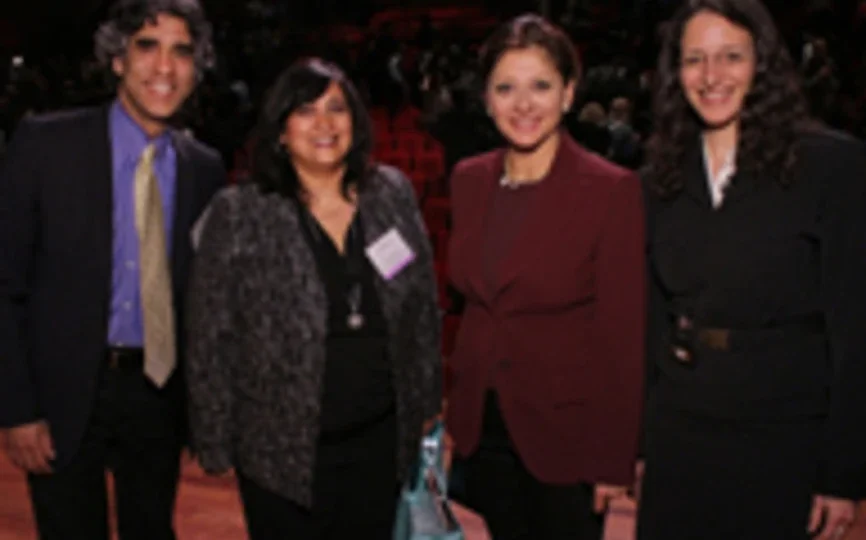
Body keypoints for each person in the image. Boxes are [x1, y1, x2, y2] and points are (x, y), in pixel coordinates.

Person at [185, 58, 442, 540]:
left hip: (380, 440)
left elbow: (422, 306)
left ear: (355, 122)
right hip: (278, 447)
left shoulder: (391, 192)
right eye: (305, 111)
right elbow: (210, 333)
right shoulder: (239, 212)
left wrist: (426, 398)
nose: (324, 123)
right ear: (281, 131)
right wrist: (213, 435)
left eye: (337, 109)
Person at [638, 1, 866, 539]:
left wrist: (843, 473)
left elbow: (856, 330)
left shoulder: (830, 167)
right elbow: (653, 319)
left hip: (785, 433)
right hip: (681, 428)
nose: (711, 76)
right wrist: (642, 442)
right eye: (695, 59)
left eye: (731, 57)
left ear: (762, 63)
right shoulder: (658, 179)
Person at [0, 0, 224, 538]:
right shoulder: (45, 145)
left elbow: (202, 298)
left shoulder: (204, 168)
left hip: (158, 392)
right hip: (62, 391)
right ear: (118, 59)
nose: (165, 67)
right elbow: (5, 285)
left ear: (196, 70)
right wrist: (16, 409)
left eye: (181, 52)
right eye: (148, 46)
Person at [445, 14, 646, 539]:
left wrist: (614, 458)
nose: (523, 104)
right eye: (505, 88)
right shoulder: (468, 179)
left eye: (540, 86)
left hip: (568, 437)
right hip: (484, 430)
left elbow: (624, 338)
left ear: (569, 93)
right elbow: (474, 307)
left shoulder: (610, 190)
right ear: (487, 99)